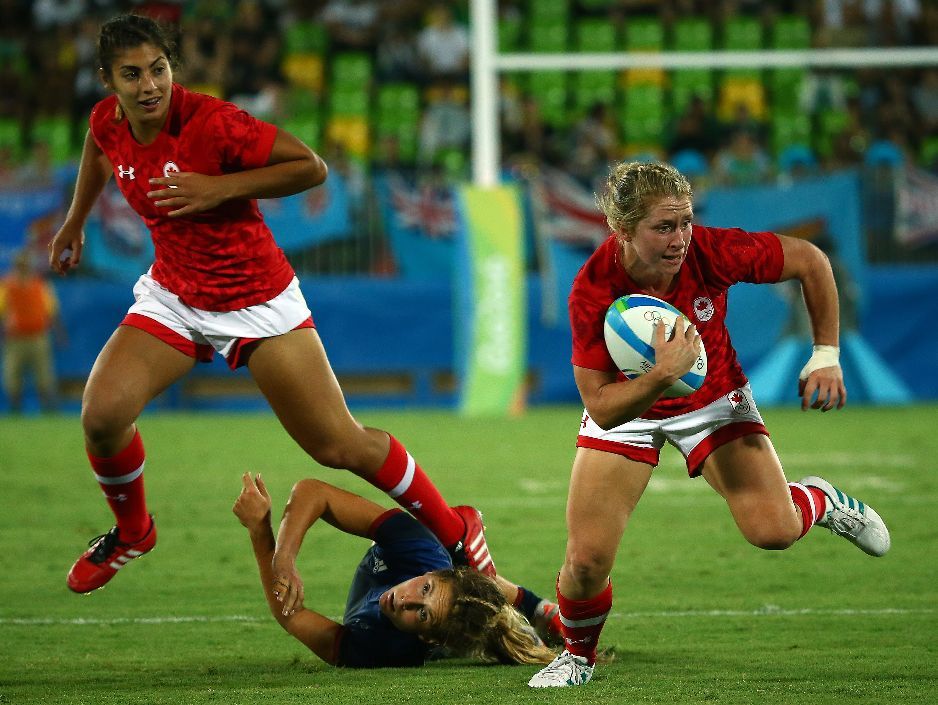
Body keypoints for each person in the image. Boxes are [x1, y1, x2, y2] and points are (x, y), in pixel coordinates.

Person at [48, 13, 495, 595]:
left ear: (171, 68)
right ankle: (134, 531)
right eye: (132, 75)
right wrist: (75, 221)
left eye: (158, 69)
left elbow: (311, 167)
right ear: (108, 79)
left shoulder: (212, 122)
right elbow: (98, 146)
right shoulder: (107, 119)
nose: (149, 85)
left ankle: (457, 531)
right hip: (176, 292)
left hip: (254, 297)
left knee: (338, 445)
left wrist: (217, 188)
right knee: (102, 416)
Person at [527, 161, 892, 688]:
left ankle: (823, 501)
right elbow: (603, 407)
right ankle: (576, 658)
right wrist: (662, 376)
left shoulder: (712, 250)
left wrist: (826, 353)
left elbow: (811, 261)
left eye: (686, 222)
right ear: (623, 231)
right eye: (664, 227)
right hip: (629, 410)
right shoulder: (592, 287)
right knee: (585, 560)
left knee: (774, 532)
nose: (680, 239)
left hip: (713, 397)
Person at [233, 472, 561, 668]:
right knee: (469, 572)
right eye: (425, 589)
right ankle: (538, 607)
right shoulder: (421, 552)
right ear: (432, 576)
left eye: (421, 615)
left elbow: (291, 616)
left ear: (425, 636)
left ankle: (528, 624)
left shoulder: (383, 649)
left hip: (445, 631)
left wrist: (260, 531)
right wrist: (284, 560)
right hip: (446, 559)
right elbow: (314, 492)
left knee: (490, 630)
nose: (406, 601)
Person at [0, 250, 61, 413]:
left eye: (25, 266)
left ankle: (49, 409)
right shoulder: (7, 285)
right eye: (20, 266)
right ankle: (15, 408)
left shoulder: (40, 284)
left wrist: (59, 333)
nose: (23, 269)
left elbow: (51, 310)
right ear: (15, 267)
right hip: (15, 339)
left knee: (43, 376)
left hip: (37, 336)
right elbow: (2, 310)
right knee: (12, 376)